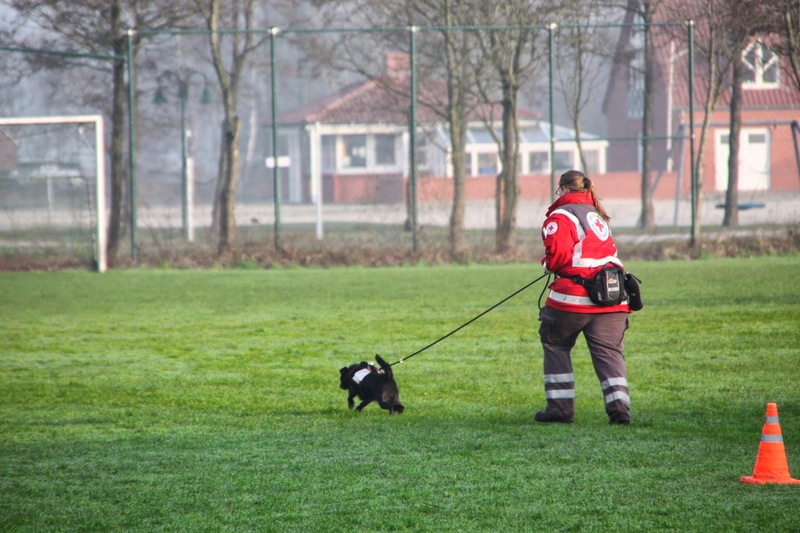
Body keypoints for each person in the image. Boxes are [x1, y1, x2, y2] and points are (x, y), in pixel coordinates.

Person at [534, 170, 632, 425]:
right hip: (613, 297)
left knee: (555, 343)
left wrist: (546, 265)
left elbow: (558, 258)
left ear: (564, 190)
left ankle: (560, 410)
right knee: (609, 353)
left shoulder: (561, 215)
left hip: (574, 299)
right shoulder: (596, 214)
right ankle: (620, 411)